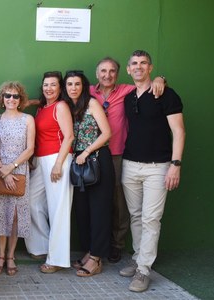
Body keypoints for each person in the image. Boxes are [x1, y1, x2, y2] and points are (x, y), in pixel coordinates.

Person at [119, 50, 185, 292]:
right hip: (130, 164)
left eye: (143, 63)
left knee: (150, 218)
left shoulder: (166, 94)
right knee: (136, 216)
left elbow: (179, 131)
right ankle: (138, 259)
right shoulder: (128, 97)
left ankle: (144, 270)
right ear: (128, 69)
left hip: (159, 167)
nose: (138, 67)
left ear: (151, 67)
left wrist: (175, 165)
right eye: (134, 64)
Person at [89, 57, 166, 263]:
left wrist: (161, 78)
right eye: (103, 71)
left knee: (119, 202)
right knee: (97, 201)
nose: (107, 75)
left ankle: (117, 244)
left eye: (112, 71)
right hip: (93, 155)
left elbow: (148, 84)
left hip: (118, 154)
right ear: (97, 74)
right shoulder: (89, 91)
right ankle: (96, 245)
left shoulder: (127, 90)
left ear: (119, 73)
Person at [62, 70, 114, 277]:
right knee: (83, 210)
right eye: (69, 84)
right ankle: (89, 251)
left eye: (77, 84)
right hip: (79, 163)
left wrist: (86, 152)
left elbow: (107, 132)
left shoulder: (92, 103)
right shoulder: (67, 106)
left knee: (99, 210)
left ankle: (96, 258)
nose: (73, 88)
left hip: (97, 160)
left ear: (83, 86)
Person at [0, 81, 35, 277]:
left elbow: (30, 148)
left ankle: (11, 257)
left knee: (15, 216)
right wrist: (2, 170)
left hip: (19, 170)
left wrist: (11, 168)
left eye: (15, 96)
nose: (11, 99)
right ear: (2, 98)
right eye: (8, 95)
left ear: (20, 99)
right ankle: (0, 256)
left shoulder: (28, 119)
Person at [33, 71, 75, 274]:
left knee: (58, 209)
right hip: (41, 159)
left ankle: (57, 258)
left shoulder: (61, 106)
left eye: (53, 85)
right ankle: (43, 246)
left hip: (58, 159)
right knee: (31, 201)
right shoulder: (42, 108)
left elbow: (69, 136)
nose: (49, 88)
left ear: (60, 89)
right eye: (46, 84)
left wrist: (58, 164)